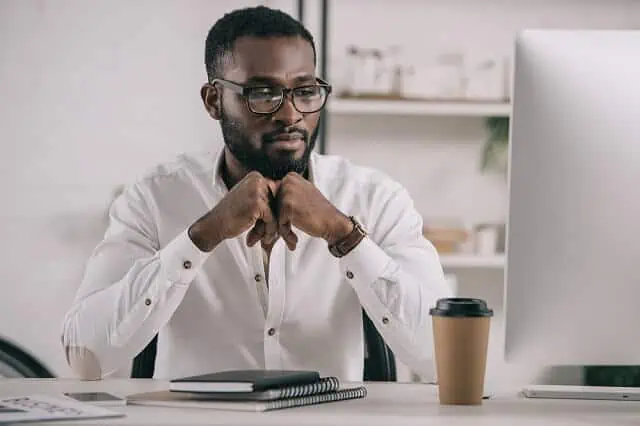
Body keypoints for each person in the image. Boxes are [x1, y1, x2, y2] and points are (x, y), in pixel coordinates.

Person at [61, 5, 452, 381]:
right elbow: (85, 358)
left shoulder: (377, 199)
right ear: (214, 101)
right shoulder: (154, 198)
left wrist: (344, 235)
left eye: (305, 90)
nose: (290, 114)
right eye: (263, 93)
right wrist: (201, 236)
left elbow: (443, 359)